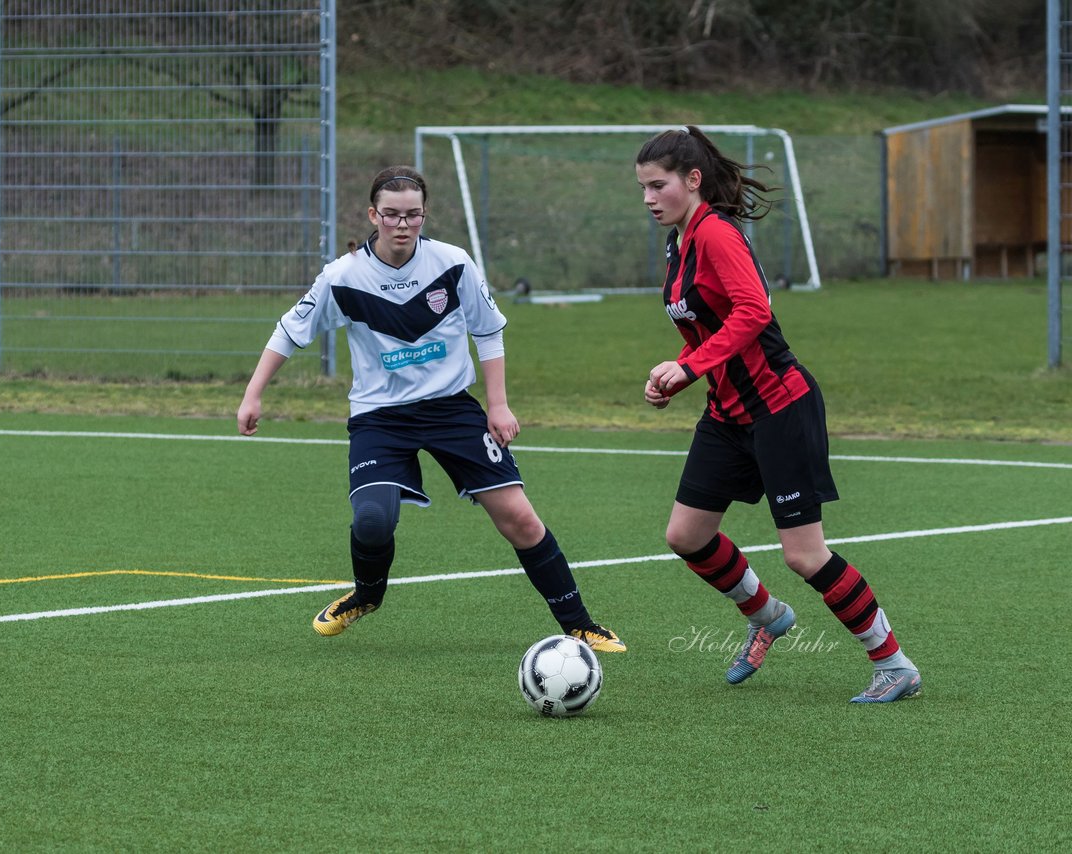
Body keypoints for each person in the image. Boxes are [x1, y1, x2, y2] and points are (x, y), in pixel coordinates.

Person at [237, 165, 625, 653]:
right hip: (380, 417)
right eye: (392, 214)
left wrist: (498, 405)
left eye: (414, 215)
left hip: (452, 409)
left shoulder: (453, 263)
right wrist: (254, 393)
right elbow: (288, 332)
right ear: (373, 214)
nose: (403, 224)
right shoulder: (342, 277)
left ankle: (579, 623)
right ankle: (366, 595)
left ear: (425, 215)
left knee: (520, 519)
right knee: (373, 520)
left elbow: (488, 330)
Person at [635, 126, 920, 702]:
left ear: (692, 181)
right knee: (686, 535)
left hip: (780, 407)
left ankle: (893, 664)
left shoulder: (716, 234)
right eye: (641, 187)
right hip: (728, 412)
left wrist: (691, 368)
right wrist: (680, 368)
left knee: (804, 554)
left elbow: (753, 312)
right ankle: (766, 616)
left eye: (657, 185)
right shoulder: (677, 241)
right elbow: (713, 327)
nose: (647, 198)